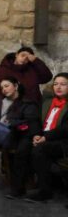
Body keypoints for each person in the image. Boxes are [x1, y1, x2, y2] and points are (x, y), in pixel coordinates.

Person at [29, 73, 68, 203]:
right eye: (56, 84)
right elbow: (36, 120)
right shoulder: (47, 102)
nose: (58, 87)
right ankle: (22, 187)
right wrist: (36, 134)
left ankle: (45, 191)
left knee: (39, 150)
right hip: (45, 137)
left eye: (63, 84)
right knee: (25, 145)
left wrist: (46, 138)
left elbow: (65, 129)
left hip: (63, 141)